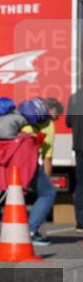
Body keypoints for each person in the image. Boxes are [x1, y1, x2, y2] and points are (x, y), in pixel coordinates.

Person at [21, 97, 63, 246]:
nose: (57, 118)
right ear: (52, 110)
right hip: (27, 160)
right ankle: (31, 232)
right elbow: (47, 158)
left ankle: (5, 232)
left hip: (12, 158)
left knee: (15, 195)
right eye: (57, 114)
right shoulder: (48, 124)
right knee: (48, 193)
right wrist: (46, 181)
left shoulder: (24, 117)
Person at [65, 91, 83, 233]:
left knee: (81, 184)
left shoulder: (75, 97)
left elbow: (68, 122)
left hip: (79, 146)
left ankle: (81, 223)